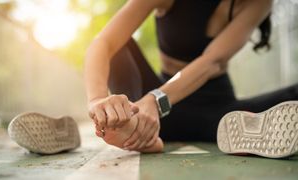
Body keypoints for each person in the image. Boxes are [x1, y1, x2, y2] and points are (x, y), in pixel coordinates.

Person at [85, 0, 298, 157]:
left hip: (214, 110)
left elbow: (213, 61)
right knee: (118, 46)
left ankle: (144, 133)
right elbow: (103, 43)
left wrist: (155, 100)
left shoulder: (260, 3)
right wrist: (97, 101)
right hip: (148, 110)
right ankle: (136, 127)